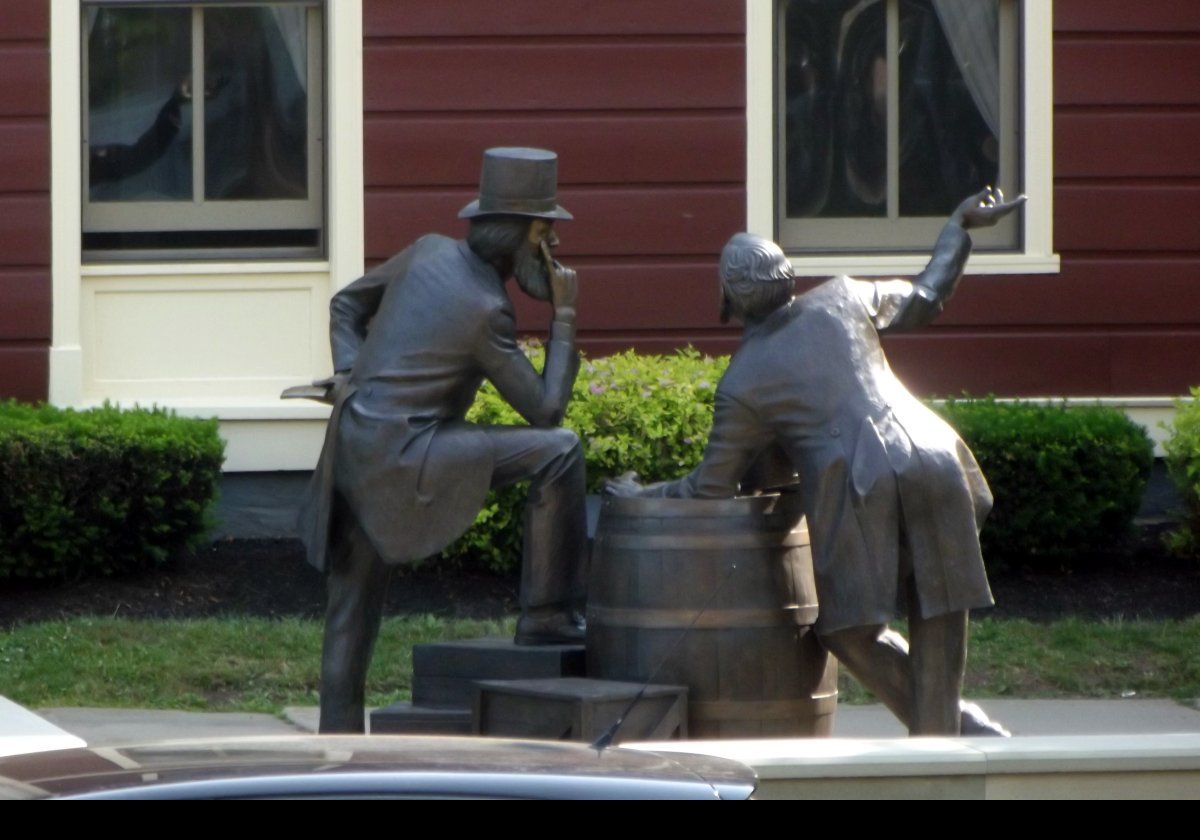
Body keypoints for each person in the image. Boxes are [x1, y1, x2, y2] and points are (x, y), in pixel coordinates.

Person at [607, 188, 1024, 736]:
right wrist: (958, 229)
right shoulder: (844, 296)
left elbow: (710, 488)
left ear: (730, 300)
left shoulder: (743, 382)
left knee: (849, 632)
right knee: (940, 611)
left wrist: (643, 494)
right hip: (938, 454)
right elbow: (926, 297)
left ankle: (951, 735)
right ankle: (951, 737)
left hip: (864, 477)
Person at [298, 148, 588, 733]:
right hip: (408, 454)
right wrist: (565, 317)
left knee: (350, 610)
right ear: (523, 234)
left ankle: (335, 755)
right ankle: (548, 615)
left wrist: (354, 377)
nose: (551, 251)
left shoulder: (428, 250)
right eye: (546, 234)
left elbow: (345, 304)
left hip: (352, 442)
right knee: (561, 449)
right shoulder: (486, 308)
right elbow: (546, 409)